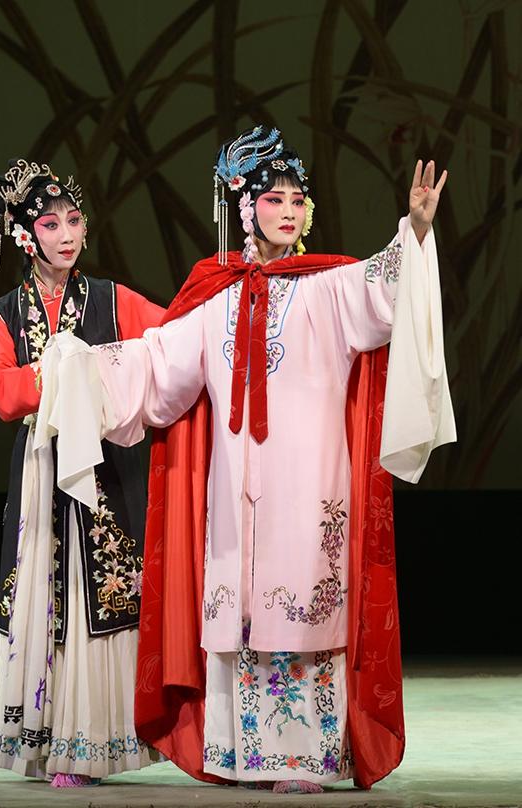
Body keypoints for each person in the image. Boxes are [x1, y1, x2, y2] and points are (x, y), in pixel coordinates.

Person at [40, 126, 455, 792]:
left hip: (310, 479)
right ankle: (240, 754)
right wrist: (82, 367)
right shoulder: (217, 298)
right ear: (245, 209)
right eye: (273, 200)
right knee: (239, 606)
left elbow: (386, 287)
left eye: (297, 200)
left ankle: (305, 759)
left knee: (303, 597)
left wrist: (416, 230)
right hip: (236, 489)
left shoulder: (327, 288)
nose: (288, 212)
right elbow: (159, 367)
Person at [0, 159, 163, 787]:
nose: (66, 235)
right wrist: (56, 374)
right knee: (40, 590)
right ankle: (42, 738)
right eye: (50, 224)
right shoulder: (5, 312)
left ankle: (93, 741)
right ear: (25, 236)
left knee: (100, 596)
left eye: (74, 221)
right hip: (40, 466)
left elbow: (169, 338)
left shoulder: (113, 299)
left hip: (107, 466)